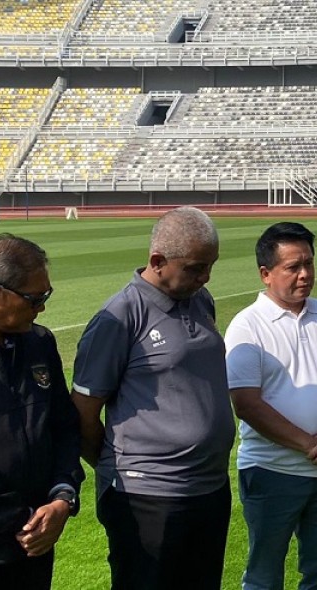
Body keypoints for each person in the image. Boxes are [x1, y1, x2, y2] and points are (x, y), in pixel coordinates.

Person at [72, 206, 235, 590]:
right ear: (158, 261)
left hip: (210, 488)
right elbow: (81, 414)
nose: (205, 277)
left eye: (211, 265)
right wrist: (122, 467)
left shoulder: (201, 299)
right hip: (147, 498)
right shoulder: (119, 317)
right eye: (196, 268)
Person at [225, 222, 317, 590]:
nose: (305, 274)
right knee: (264, 576)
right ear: (266, 273)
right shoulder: (247, 326)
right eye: (293, 267)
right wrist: (312, 446)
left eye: (309, 263)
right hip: (271, 471)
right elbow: (247, 404)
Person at [0, 235, 83, 590]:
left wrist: (63, 495)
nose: (42, 309)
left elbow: (64, 425)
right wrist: (23, 519)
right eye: (35, 299)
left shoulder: (39, 342)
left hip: (33, 547)